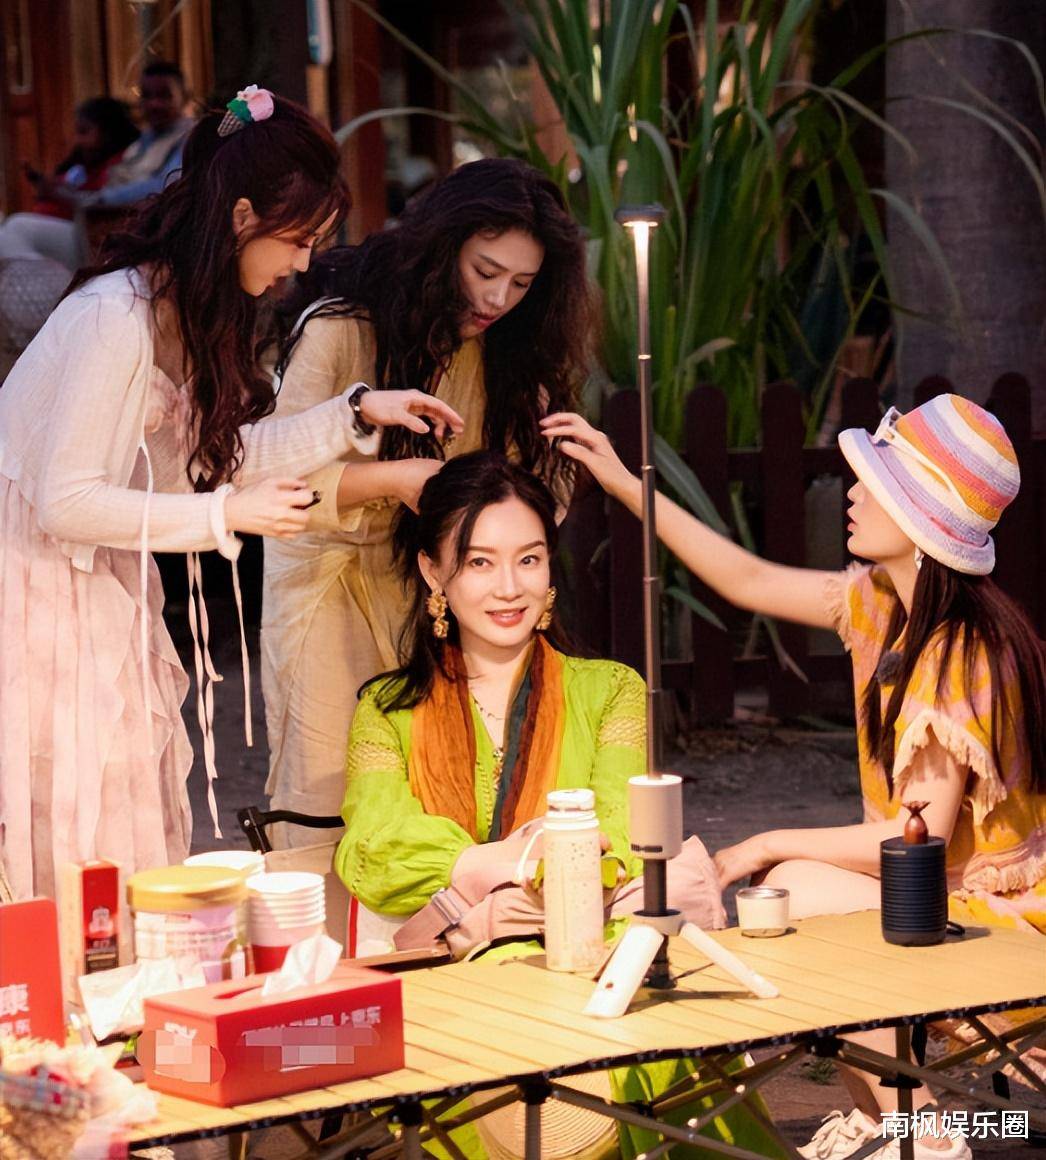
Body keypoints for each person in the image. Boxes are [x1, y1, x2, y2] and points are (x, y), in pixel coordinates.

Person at [541, 398, 1045, 1159]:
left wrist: (765, 842)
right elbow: (744, 576)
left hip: (999, 922)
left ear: (919, 517)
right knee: (787, 897)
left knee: (796, 892)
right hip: (938, 902)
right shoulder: (885, 605)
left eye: (874, 483)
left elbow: (920, 840)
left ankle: (928, 1131)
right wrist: (622, 480)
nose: (852, 493)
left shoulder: (959, 650)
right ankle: (885, 1123)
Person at [0, 87, 462, 905]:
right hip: (33, 582)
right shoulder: (116, 316)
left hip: (87, 580)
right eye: (300, 239)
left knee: (117, 813)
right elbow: (65, 501)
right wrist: (223, 516)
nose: (305, 263)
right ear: (243, 216)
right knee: (69, 826)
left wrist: (357, 412)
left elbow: (219, 459)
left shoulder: (181, 309)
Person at [334, 451, 777, 1160]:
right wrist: (501, 878)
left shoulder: (610, 691)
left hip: (599, 955)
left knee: (639, 1046)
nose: (509, 587)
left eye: (529, 559)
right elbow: (372, 851)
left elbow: (623, 831)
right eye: (479, 563)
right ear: (432, 572)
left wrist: (541, 880)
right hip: (457, 977)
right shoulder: (387, 709)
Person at [261, 158, 594, 844]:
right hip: (328, 588)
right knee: (328, 791)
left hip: (438, 594)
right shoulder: (340, 328)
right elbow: (269, 483)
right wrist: (394, 480)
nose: (498, 298)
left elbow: (536, 488)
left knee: (443, 788)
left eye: (522, 283)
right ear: (443, 248)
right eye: (485, 270)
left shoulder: (507, 353)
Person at [0, 62, 194, 270]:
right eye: (147, 96)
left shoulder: (189, 138)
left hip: (142, 239)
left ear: (184, 96)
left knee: (17, 229)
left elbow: (166, 183)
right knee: (15, 228)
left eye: (164, 96)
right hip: (101, 231)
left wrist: (98, 199)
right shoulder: (143, 140)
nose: (154, 104)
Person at [15, 97, 140, 222]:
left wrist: (60, 194)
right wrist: (46, 185)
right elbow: (66, 182)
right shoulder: (82, 162)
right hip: (51, 223)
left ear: (108, 132)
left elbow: (100, 200)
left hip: (82, 229)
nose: (78, 140)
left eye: (84, 132)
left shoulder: (123, 164)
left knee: (17, 222)